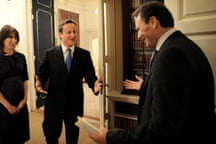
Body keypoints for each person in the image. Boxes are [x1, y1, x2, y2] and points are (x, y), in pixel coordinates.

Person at [89, 1, 216, 144]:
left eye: (139, 29)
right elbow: (177, 97)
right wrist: (147, 86)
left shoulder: (171, 55)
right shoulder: (184, 45)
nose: (138, 36)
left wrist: (109, 138)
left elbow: (161, 128)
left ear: (153, 22)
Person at [35, 18, 102, 144]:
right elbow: (42, 75)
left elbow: (91, 77)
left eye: (75, 32)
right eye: (69, 32)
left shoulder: (84, 55)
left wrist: (95, 86)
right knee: (51, 135)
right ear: (61, 34)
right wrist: (39, 85)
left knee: (73, 137)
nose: (73, 35)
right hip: (54, 102)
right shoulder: (49, 54)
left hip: (75, 103)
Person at [0, 25, 30, 144]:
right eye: (10, 37)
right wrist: (8, 106)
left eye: (15, 37)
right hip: (4, 105)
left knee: (21, 135)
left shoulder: (21, 57)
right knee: (7, 136)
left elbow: (25, 79)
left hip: (20, 102)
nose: (14, 40)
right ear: (2, 39)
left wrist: (25, 99)